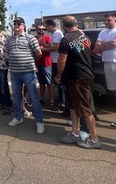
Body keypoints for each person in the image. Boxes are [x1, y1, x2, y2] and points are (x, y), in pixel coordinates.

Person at [56, 16, 101, 149]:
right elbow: (95, 50)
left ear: (63, 26)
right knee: (72, 105)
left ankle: (94, 139)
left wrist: (58, 74)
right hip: (76, 76)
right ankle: (75, 132)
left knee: (85, 109)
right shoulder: (84, 37)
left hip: (79, 77)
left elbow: (61, 60)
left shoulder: (66, 39)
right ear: (76, 24)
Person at [5, 17, 44, 134]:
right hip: (14, 73)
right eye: (15, 24)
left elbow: (38, 53)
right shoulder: (10, 40)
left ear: (23, 25)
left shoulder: (30, 38)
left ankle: (39, 122)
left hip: (28, 72)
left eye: (19, 24)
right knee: (17, 97)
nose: (16, 25)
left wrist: (31, 63)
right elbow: (7, 52)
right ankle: (18, 117)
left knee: (33, 97)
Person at [43, 19, 65, 111]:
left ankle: (63, 103)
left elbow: (55, 47)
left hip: (57, 61)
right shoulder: (54, 34)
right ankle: (61, 102)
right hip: (55, 61)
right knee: (57, 82)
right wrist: (45, 45)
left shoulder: (57, 34)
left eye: (47, 26)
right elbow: (52, 45)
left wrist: (42, 49)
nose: (46, 28)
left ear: (51, 26)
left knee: (60, 83)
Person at [35, 25, 54, 109]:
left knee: (49, 82)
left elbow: (50, 47)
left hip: (47, 63)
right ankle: (41, 98)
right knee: (41, 82)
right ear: (37, 29)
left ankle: (52, 100)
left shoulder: (47, 37)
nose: (42, 30)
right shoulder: (34, 38)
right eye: (40, 29)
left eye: (43, 29)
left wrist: (42, 46)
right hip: (38, 62)